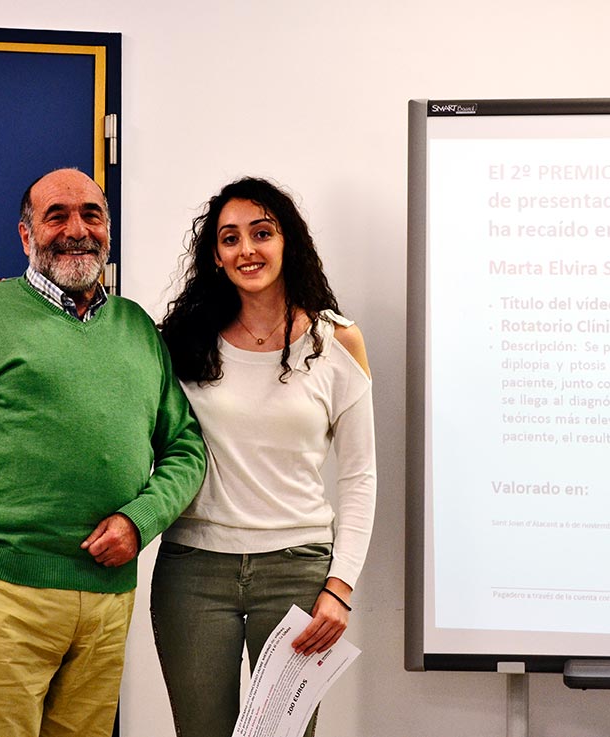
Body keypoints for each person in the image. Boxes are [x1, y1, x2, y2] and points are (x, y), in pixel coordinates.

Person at [0, 168, 207, 737]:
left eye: (91, 214)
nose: (77, 229)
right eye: (56, 215)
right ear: (26, 236)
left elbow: (187, 448)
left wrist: (140, 521)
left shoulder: (137, 328)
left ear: (108, 231)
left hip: (106, 606)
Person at [153, 177, 377, 737]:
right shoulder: (182, 341)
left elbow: (359, 476)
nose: (246, 249)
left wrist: (340, 588)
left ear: (287, 241)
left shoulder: (337, 341)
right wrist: (25, 306)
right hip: (193, 573)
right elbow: (104, 353)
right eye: (230, 238)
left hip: (298, 573)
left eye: (261, 232)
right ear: (216, 256)